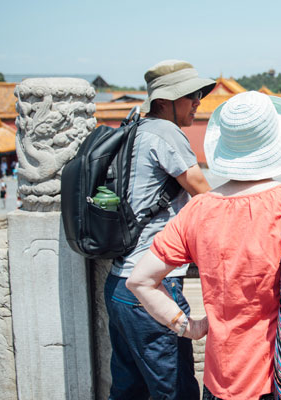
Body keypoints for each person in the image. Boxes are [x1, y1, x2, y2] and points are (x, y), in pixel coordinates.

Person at [127, 91, 281, 399]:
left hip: (222, 379)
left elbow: (139, 280)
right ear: (276, 142)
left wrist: (188, 327)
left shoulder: (197, 209)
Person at [104, 59, 216, 400]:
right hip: (153, 287)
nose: (197, 102)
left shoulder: (135, 129)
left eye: (199, 94)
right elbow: (203, 194)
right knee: (176, 390)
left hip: (120, 284)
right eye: (191, 95)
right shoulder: (167, 133)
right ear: (165, 101)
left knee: (128, 389)